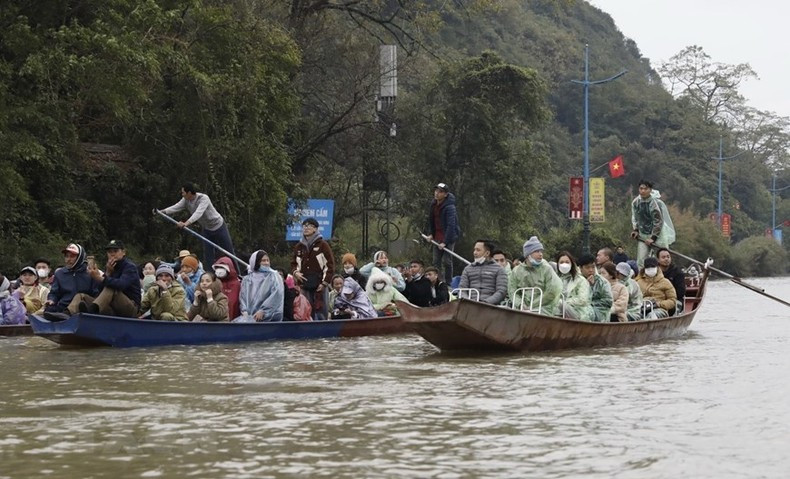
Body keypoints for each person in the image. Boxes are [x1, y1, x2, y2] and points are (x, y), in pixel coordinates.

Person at [159, 182, 238, 270]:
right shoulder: (185, 200)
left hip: (219, 226)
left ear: (189, 193)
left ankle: (238, 274)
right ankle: (210, 276)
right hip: (207, 229)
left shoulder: (203, 198)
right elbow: (176, 207)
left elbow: (198, 213)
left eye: (183, 192)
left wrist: (186, 223)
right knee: (208, 255)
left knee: (229, 251)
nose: (182, 194)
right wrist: (163, 211)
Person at [72, 240, 140, 317]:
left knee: (111, 288)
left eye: (115, 251)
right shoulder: (110, 266)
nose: (112, 254)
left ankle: (92, 312)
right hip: (112, 307)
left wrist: (100, 278)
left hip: (130, 307)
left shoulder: (130, 267)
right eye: (109, 252)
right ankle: (65, 315)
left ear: (123, 252)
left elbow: (121, 284)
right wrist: (108, 273)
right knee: (81, 296)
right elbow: (100, 291)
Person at [290, 217, 335, 321]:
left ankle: (322, 330)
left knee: (321, 310)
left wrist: (324, 283)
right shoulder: (299, 247)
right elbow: (293, 263)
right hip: (304, 283)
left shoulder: (323, 245)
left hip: (319, 284)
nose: (306, 228)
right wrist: (295, 273)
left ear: (315, 229)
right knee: (304, 309)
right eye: (304, 226)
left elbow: (330, 265)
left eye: (309, 226)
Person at [43, 243, 101, 320]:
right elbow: (54, 293)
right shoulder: (59, 273)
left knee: (80, 298)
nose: (68, 259)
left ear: (80, 257)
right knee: (49, 310)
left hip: (83, 306)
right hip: (63, 306)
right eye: (66, 256)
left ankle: (67, 315)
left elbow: (96, 293)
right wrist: (51, 300)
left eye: (72, 256)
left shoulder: (90, 272)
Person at [508, 236, 562, 315]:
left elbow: (552, 291)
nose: (540, 254)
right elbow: (512, 291)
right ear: (528, 255)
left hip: (545, 307)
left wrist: (533, 305)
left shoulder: (546, 269)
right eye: (536, 251)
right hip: (521, 308)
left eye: (541, 251)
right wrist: (520, 304)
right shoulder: (516, 271)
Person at [630, 180, 676, 267]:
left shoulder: (655, 203)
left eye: (645, 189)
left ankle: (664, 278)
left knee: (662, 259)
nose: (643, 191)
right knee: (641, 261)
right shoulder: (636, 202)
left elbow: (658, 221)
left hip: (658, 235)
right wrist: (635, 230)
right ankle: (642, 279)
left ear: (650, 190)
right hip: (643, 234)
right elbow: (635, 218)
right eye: (641, 188)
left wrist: (653, 238)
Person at [425, 182, 461, 285]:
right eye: (436, 191)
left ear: (445, 194)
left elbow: (451, 225)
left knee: (447, 261)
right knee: (436, 261)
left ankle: (448, 283)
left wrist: (445, 242)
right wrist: (431, 234)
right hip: (437, 236)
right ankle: (437, 282)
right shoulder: (433, 204)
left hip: (448, 237)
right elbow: (432, 221)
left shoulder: (450, 207)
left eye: (440, 192)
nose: (437, 193)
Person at [239, 250, 284, 322]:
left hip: (269, 320)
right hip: (250, 320)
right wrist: (244, 311)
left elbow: (276, 295)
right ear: (256, 262)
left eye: (267, 260)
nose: (266, 263)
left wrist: (263, 311)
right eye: (263, 260)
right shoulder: (247, 279)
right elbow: (243, 297)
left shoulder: (274, 276)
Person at [458, 240, 508, 305]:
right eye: (474, 250)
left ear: (487, 253)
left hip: (490, 307)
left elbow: (501, 292)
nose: (474, 253)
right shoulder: (467, 269)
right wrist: (467, 301)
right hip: (469, 306)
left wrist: (486, 302)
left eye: (478, 250)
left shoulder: (499, 270)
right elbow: (462, 289)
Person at [555, 251, 592, 321]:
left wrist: (564, 302)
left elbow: (582, 300)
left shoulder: (580, 280)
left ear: (571, 263)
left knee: (561, 304)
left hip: (578, 312)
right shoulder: (556, 279)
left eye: (567, 262)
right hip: (558, 312)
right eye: (561, 262)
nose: (564, 264)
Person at [577, 253, 613, 323]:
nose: (591, 270)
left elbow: (608, 301)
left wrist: (591, 288)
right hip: (580, 311)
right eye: (587, 267)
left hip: (599, 313)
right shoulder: (576, 281)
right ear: (581, 268)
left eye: (593, 267)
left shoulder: (602, 282)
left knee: (584, 314)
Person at [657, 248, 686, 312]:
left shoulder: (678, 273)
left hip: (675, 300)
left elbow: (680, 293)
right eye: (663, 257)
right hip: (657, 300)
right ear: (658, 260)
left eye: (668, 257)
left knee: (672, 309)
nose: (666, 259)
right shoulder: (654, 272)